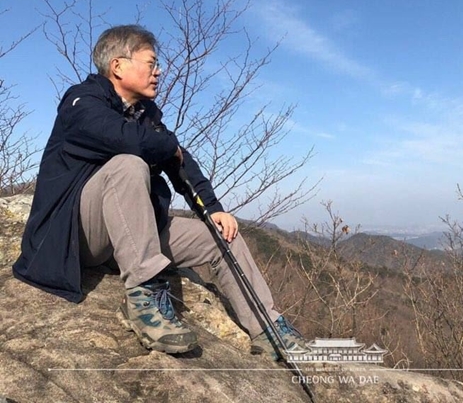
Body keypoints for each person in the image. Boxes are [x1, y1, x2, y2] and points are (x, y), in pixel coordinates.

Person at [13, 24, 304, 358]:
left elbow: (180, 162)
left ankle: (268, 328)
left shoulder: (143, 115)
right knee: (128, 164)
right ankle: (144, 298)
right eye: (151, 63)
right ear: (118, 66)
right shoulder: (81, 102)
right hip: (76, 236)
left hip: (129, 232)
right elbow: (133, 143)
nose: (159, 71)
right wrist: (169, 145)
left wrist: (212, 209)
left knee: (220, 235)